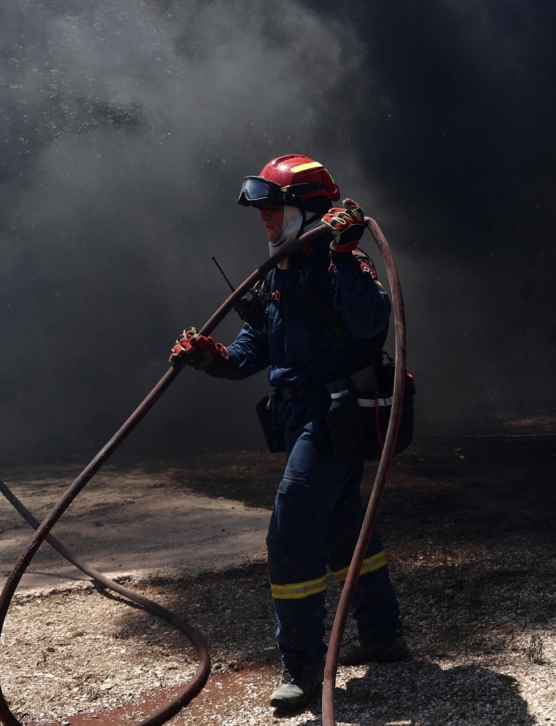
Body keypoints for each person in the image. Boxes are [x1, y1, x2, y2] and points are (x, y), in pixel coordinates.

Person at [168, 154, 407, 712]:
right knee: (346, 529)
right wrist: (214, 357)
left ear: (308, 210)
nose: (265, 220)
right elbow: (262, 347)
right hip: (302, 417)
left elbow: (373, 321)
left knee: (290, 537)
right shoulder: (285, 267)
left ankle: (301, 667)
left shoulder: (339, 260)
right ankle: (383, 635)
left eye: (273, 208)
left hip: (335, 417)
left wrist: (345, 255)